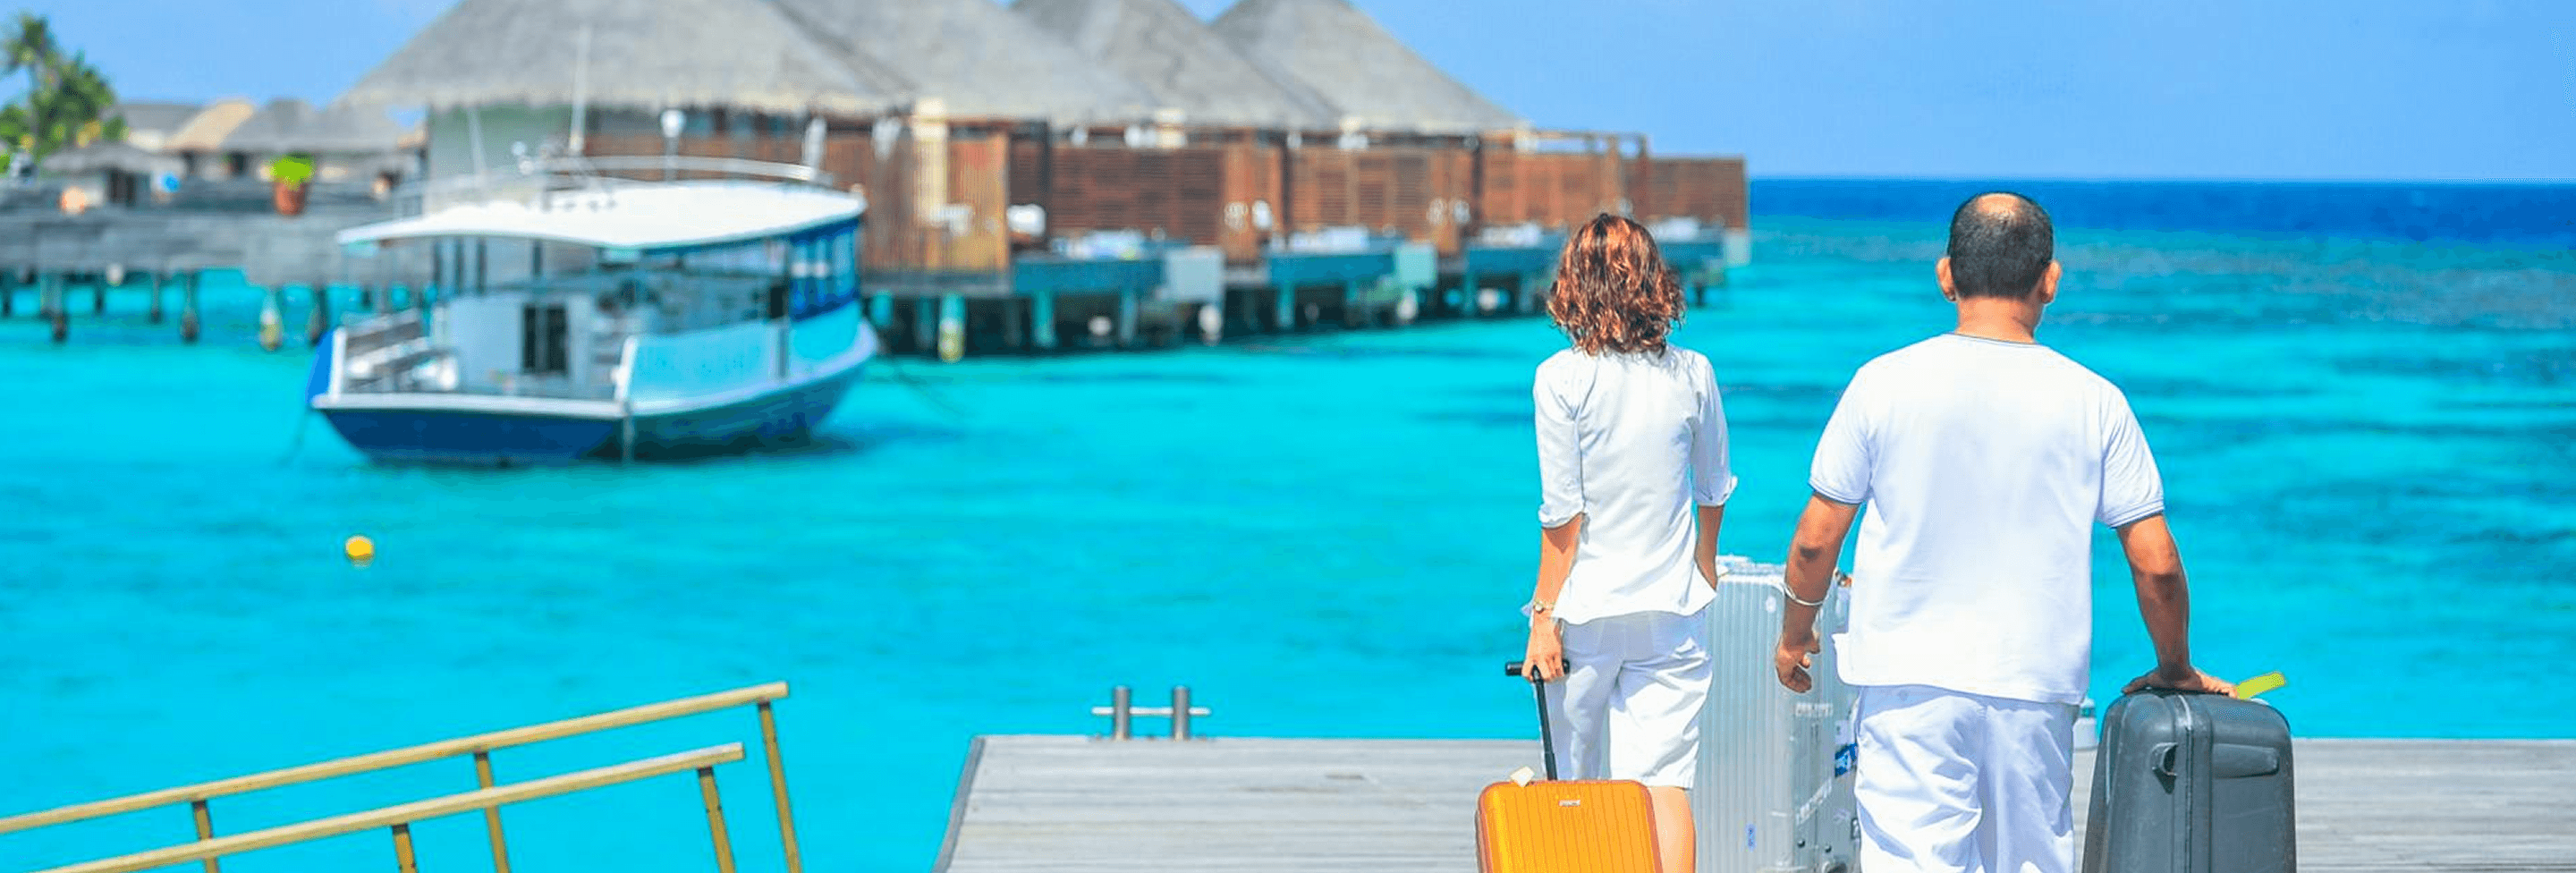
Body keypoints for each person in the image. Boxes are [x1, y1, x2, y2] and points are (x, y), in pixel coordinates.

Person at [1772, 192, 2233, 873]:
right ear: (2050, 278)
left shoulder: (1882, 383)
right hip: (2035, 682)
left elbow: (1816, 538)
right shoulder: (2094, 399)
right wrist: (2174, 667)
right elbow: (2156, 562)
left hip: (1908, 679)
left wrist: (1795, 632)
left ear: (1946, 276)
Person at [1524, 213, 1733, 873]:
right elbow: (1714, 489)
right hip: (1672, 612)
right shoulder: (1693, 372)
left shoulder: (1560, 378)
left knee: (1573, 788)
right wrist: (1702, 568)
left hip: (1585, 611)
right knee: (1665, 786)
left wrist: (1541, 618)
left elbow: (1563, 520)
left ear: (1573, 285)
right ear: (1653, 282)